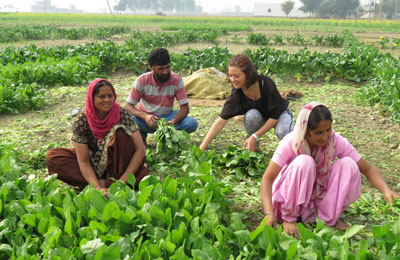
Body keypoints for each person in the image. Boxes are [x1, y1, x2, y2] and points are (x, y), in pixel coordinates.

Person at [260, 102, 398, 237]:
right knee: (305, 162)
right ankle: (289, 217)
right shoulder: (291, 142)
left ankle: (326, 217)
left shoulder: (334, 141)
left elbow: (367, 169)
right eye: (318, 132)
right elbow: (268, 178)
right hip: (291, 196)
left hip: (317, 196)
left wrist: (386, 190)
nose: (325, 137)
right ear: (305, 131)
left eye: (328, 130)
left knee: (348, 164)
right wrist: (269, 213)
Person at [46, 79, 149, 196]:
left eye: (110, 96)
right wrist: (97, 187)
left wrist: (121, 182)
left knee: (121, 135)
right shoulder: (82, 120)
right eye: (102, 96)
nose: (107, 100)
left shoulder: (122, 114)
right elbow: (83, 161)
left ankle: (112, 183)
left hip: (118, 164)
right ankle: (102, 184)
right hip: (92, 163)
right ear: (92, 98)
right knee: (53, 158)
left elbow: (140, 150)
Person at [199, 54, 293, 152]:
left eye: (236, 76)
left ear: (248, 74)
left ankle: (294, 155)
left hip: (279, 114)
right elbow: (221, 120)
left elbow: (275, 117)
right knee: (251, 116)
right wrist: (202, 147)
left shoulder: (266, 84)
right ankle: (254, 151)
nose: (232, 79)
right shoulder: (237, 93)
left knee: (283, 131)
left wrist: (255, 135)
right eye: (230, 76)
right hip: (262, 116)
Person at [125, 48, 198, 145]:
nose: (165, 72)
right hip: (146, 119)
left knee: (191, 123)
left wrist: (173, 122)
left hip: (168, 118)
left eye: (167, 67)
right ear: (152, 68)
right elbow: (127, 106)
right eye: (161, 69)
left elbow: (184, 108)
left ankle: (170, 139)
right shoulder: (141, 80)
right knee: (128, 120)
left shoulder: (177, 80)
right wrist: (145, 116)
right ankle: (141, 139)